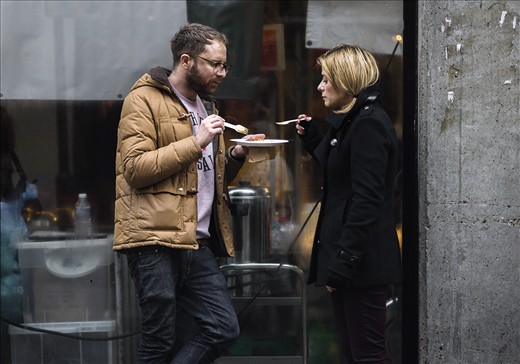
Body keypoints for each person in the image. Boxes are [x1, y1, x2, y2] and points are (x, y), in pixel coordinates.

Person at [113, 23, 264, 363]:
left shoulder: (206, 107)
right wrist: (196, 142)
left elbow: (206, 175)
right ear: (186, 60)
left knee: (224, 328)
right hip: (154, 240)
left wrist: (236, 155)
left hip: (196, 242)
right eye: (215, 64)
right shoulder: (143, 100)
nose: (222, 72)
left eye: (225, 65)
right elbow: (135, 169)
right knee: (159, 340)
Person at [295, 44, 401, 363]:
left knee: (367, 354)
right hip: (350, 260)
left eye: (327, 80)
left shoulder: (368, 123)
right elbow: (340, 168)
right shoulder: (353, 120)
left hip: (362, 263)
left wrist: (345, 261)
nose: (320, 87)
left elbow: (366, 199)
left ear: (346, 81)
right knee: (352, 353)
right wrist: (314, 138)